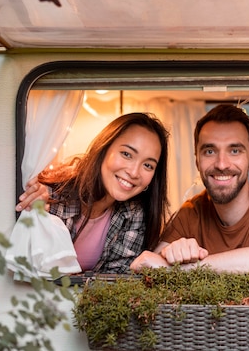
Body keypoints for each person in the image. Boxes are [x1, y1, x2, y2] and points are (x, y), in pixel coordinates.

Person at [130, 104, 249, 273]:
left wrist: (187, 269)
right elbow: (150, 265)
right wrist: (173, 253)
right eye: (210, 152)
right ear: (197, 160)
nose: (221, 164)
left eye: (234, 151)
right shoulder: (191, 213)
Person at [16, 112, 170, 274]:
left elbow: (117, 278)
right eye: (126, 154)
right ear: (104, 148)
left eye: (148, 165)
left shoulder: (134, 214)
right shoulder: (52, 195)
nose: (134, 172)